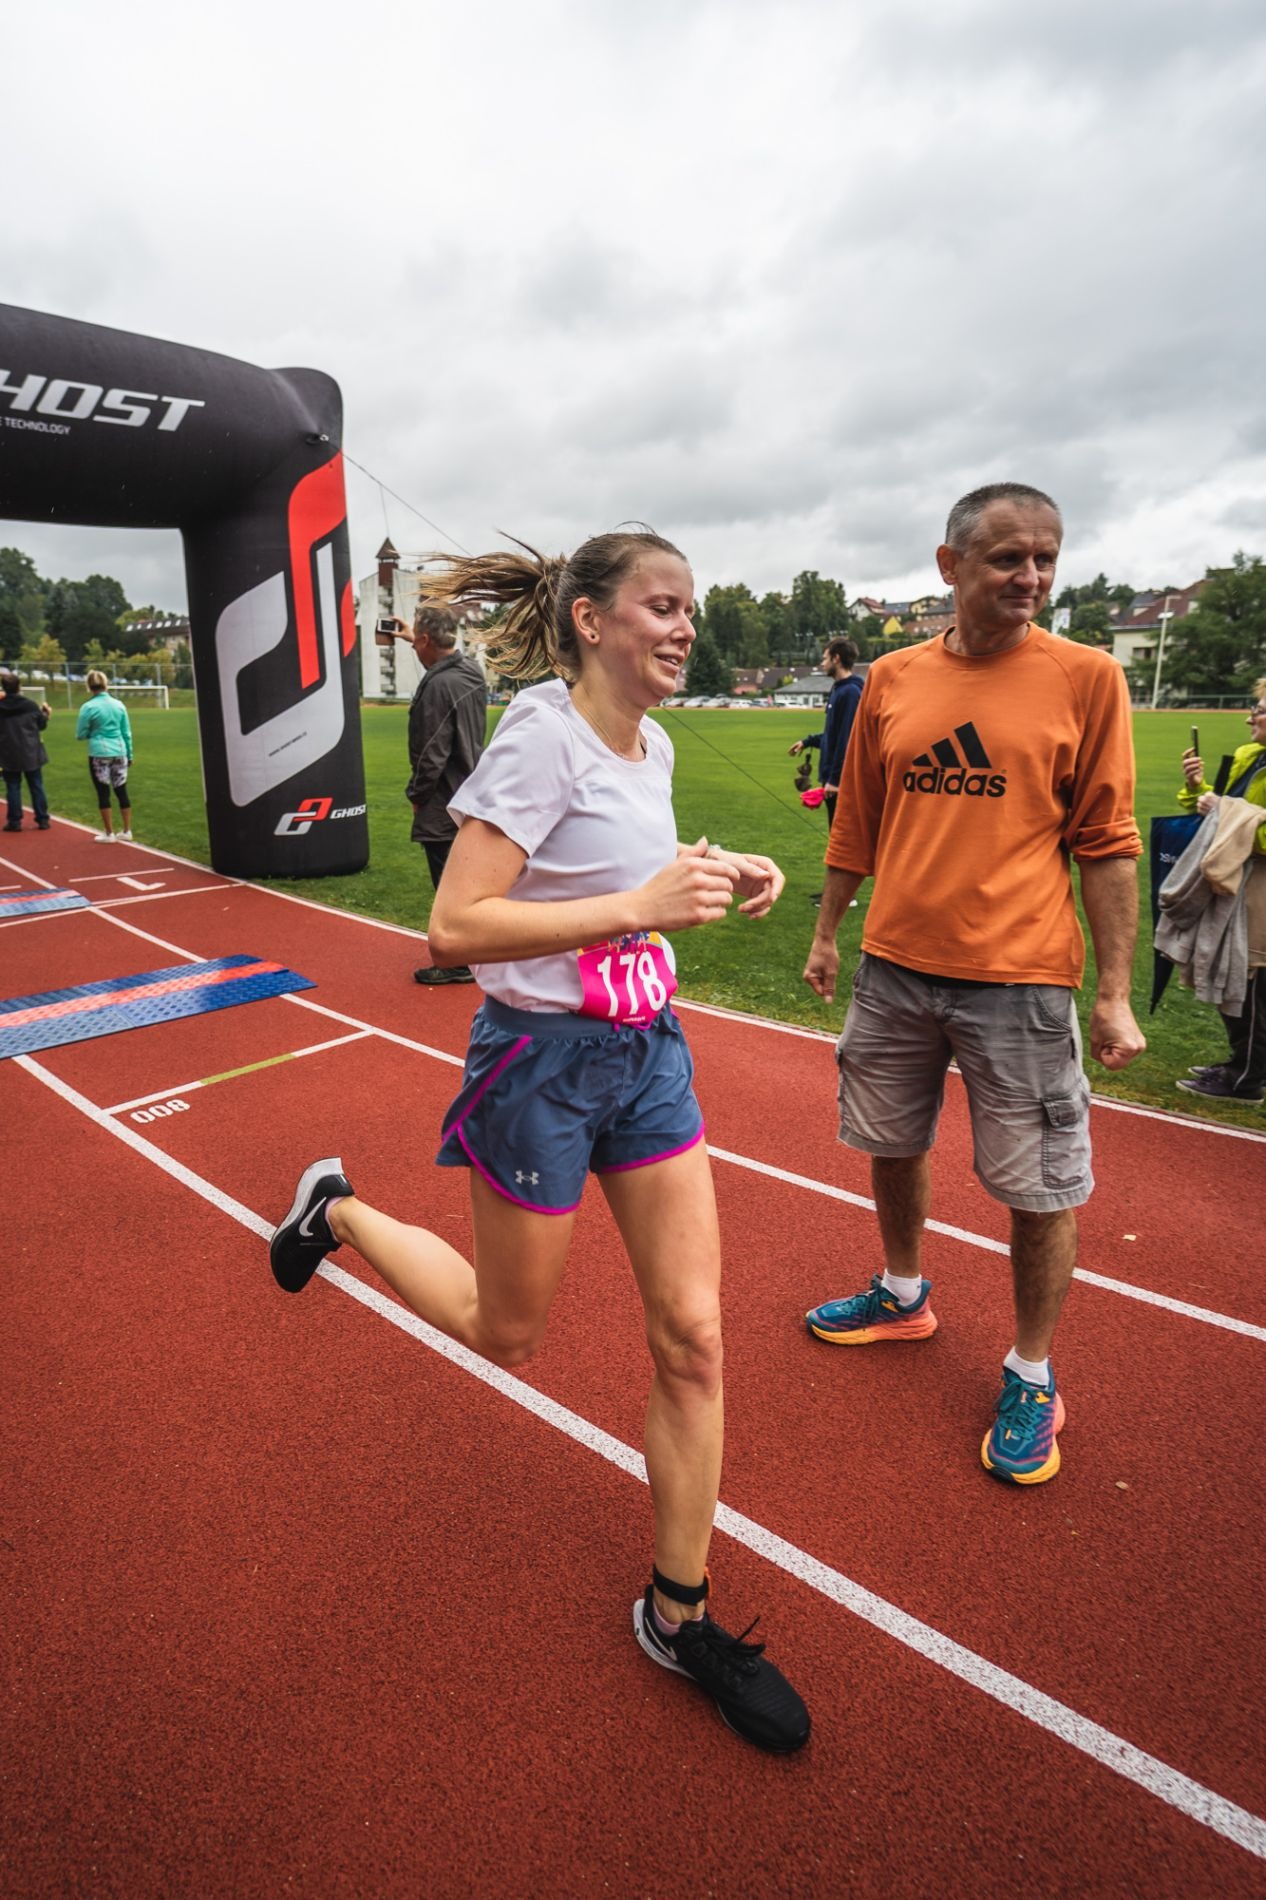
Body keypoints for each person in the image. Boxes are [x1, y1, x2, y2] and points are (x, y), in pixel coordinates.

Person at [269, 528, 810, 1753]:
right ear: (590, 619)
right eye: (661, 605)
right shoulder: (538, 733)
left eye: (688, 607)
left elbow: (616, 869)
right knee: (506, 1331)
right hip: (541, 1068)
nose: (684, 626)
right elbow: (455, 923)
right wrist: (639, 904)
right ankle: (336, 1208)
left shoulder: (651, 743)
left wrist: (713, 868)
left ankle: (678, 1613)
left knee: (696, 1335)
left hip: (648, 1051)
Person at [802, 482, 1146, 1486]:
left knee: (1039, 1188)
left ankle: (1032, 1372)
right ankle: (903, 1293)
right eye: (1007, 558)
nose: (1030, 576)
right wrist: (827, 934)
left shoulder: (1086, 678)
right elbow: (857, 821)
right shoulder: (893, 679)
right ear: (950, 566)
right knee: (891, 1142)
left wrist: (1114, 991)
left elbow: (1108, 843)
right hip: (895, 969)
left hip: (1021, 982)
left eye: (1045, 558)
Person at [1173, 684, 1266, 1102]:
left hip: (1259, 885)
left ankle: (1246, 1078)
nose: (1250, 717)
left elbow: (1238, 823)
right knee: (1232, 974)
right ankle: (1241, 1062)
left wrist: (1225, 814)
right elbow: (1215, 813)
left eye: (1259, 711)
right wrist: (1197, 788)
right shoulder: (1250, 756)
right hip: (1236, 880)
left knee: (1252, 980)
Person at [392, 604, 487, 987]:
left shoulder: (437, 685)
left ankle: (458, 961)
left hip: (443, 799)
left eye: (417, 639)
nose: (415, 645)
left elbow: (431, 752)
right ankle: (476, 952)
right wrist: (410, 637)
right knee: (471, 881)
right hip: (471, 794)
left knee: (449, 886)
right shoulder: (470, 671)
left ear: (427, 640)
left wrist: (416, 795)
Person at [788, 635, 864, 830]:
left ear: (836, 658)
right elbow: (832, 735)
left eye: (825, 658)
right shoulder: (838, 689)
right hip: (834, 780)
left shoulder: (850, 692)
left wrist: (835, 780)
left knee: (842, 838)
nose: (822, 663)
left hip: (842, 784)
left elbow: (846, 740)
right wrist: (807, 742)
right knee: (835, 835)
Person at [75, 670, 133, 841]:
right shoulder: (119, 705)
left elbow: (80, 734)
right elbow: (126, 732)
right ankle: (127, 830)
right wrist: (130, 754)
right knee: (121, 790)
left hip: (99, 752)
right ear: (106, 684)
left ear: (89, 686)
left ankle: (109, 833)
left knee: (103, 792)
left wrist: (94, 732)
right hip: (120, 751)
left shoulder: (88, 707)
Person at [0, 672, 52, 831]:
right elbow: (41, 725)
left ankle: (15, 822)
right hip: (31, 751)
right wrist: (46, 714)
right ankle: (42, 819)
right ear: (19, 686)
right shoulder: (30, 705)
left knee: (13, 787)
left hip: (8, 752)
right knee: (36, 785)